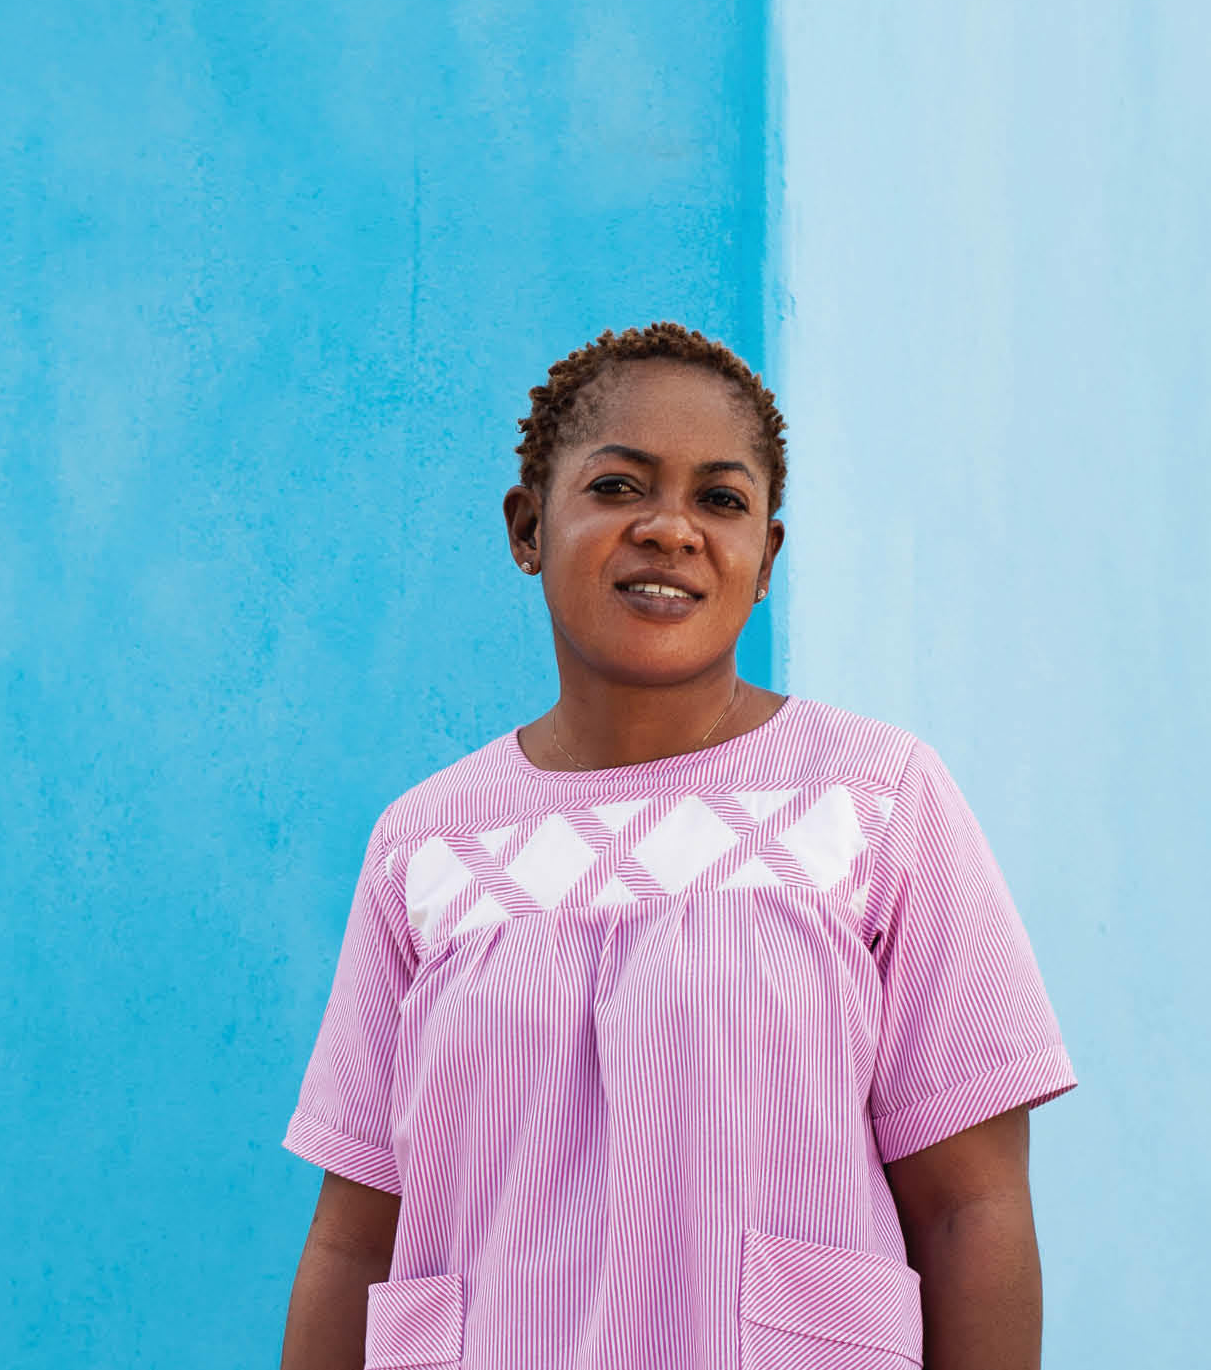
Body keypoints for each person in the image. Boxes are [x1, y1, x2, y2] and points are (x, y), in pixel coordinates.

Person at [276, 323, 1078, 1370]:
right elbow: (352, 1241)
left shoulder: (873, 803)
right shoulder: (428, 844)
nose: (670, 528)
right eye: (617, 487)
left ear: (764, 560)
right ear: (527, 527)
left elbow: (971, 1206)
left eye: (720, 499)